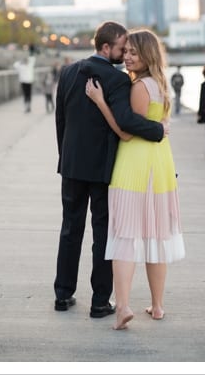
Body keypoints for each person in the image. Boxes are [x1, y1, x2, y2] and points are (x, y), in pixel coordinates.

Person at [54, 21, 166, 319]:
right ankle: (100, 302)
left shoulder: (67, 73)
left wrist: (64, 157)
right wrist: (158, 129)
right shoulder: (117, 80)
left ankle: (63, 295)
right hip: (103, 168)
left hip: (72, 165)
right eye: (121, 47)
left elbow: (60, 121)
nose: (124, 53)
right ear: (106, 47)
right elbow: (127, 121)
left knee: (70, 229)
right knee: (103, 235)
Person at [85, 29, 185, 330]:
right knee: (156, 235)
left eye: (133, 53)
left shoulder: (140, 87)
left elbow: (128, 131)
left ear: (147, 55)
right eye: (125, 51)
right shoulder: (162, 84)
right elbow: (156, 125)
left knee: (125, 236)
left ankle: (123, 308)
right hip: (161, 165)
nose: (126, 57)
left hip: (135, 166)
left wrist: (101, 101)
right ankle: (156, 306)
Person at [13, 46, 36, 113]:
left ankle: (28, 105)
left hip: (28, 81)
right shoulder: (21, 65)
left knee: (28, 94)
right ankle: (27, 105)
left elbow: (32, 58)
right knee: (26, 94)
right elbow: (15, 65)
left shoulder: (29, 65)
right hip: (24, 81)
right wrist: (21, 61)